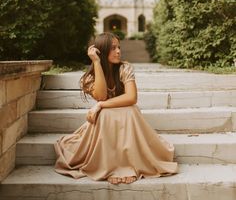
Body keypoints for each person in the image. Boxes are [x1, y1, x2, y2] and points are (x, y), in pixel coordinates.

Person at [54, 32, 178, 184]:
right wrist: (97, 63)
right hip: (103, 124)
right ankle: (111, 166)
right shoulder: (89, 78)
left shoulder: (125, 68)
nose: (118, 51)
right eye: (113, 48)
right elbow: (100, 95)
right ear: (101, 51)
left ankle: (126, 164)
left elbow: (131, 98)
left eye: (119, 47)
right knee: (106, 114)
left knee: (130, 109)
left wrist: (100, 105)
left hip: (125, 118)